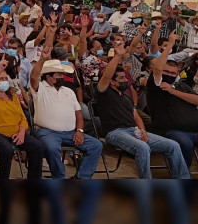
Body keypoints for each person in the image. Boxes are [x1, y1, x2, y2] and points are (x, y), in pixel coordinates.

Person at [95, 40, 190, 179]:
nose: (125, 81)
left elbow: (136, 116)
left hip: (133, 130)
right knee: (143, 147)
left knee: (173, 145)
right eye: (121, 78)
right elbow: (106, 75)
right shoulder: (104, 92)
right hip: (114, 132)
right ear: (112, 82)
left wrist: (143, 130)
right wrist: (117, 56)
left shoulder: (127, 97)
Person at [29, 52, 103, 179]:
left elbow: (79, 115)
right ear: (49, 77)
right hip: (47, 132)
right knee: (52, 148)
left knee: (96, 145)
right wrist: (42, 59)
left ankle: (82, 178)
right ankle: (59, 178)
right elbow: (33, 77)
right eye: (59, 74)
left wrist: (79, 130)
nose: (62, 77)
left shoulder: (69, 91)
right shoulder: (40, 88)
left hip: (70, 133)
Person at [0, 58, 44, 179]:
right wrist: (0, 69)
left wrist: (22, 131)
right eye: (0, 78)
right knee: (7, 149)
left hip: (15, 133)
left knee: (37, 146)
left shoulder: (12, 95)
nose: (4, 81)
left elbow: (22, 117)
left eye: (5, 78)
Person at [145, 32, 198, 169]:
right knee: (185, 144)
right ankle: (181, 176)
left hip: (194, 130)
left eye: (173, 73)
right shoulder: (157, 85)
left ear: (177, 74)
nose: (169, 75)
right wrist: (170, 45)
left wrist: (174, 91)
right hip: (172, 130)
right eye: (166, 72)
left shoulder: (181, 86)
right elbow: (157, 68)